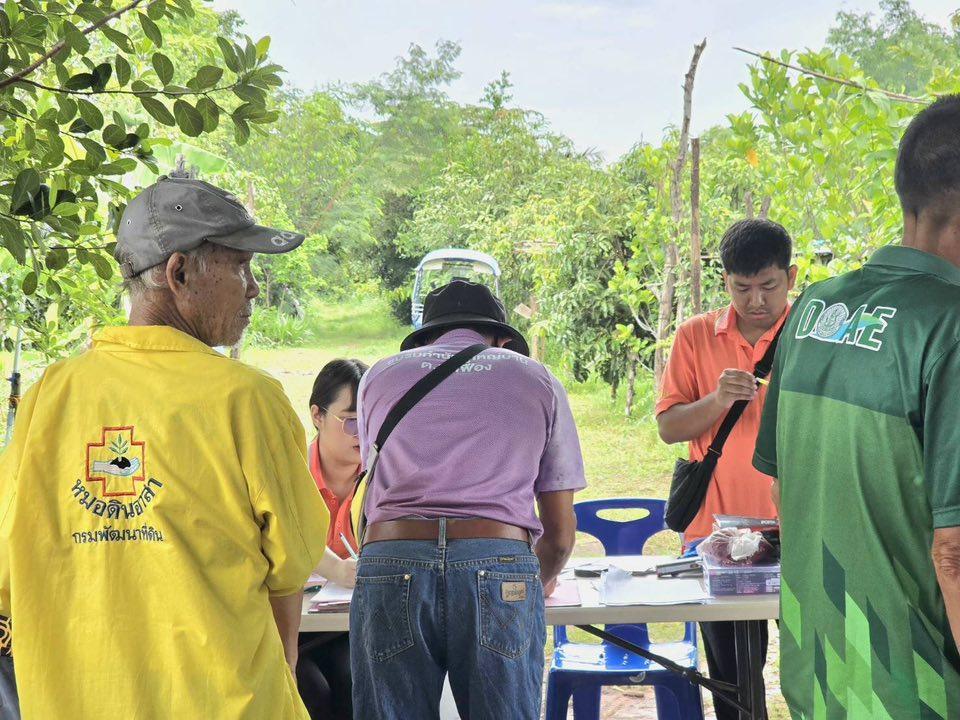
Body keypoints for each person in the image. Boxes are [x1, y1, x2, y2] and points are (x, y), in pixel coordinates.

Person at [0, 175, 331, 719]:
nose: (252, 288)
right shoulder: (245, 399)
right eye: (240, 266)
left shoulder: (48, 397)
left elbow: (8, 574)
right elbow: (292, 563)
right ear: (179, 273)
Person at [755, 96, 960, 718]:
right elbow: (954, 552)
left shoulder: (817, 307)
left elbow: (782, 490)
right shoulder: (948, 325)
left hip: (822, 673)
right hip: (917, 690)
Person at [350, 280, 585, 720]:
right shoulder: (538, 380)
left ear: (425, 338)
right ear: (500, 339)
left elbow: (371, 484)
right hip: (497, 562)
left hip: (391, 560)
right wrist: (531, 584)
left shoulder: (378, 376)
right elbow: (559, 535)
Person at [656, 218, 796, 719]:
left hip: (800, 529)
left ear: (791, 277)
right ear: (725, 282)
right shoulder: (695, 336)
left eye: (768, 287)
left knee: (815, 667)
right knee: (735, 684)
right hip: (717, 536)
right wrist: (718, 399)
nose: (756, 301)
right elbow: (670, 427)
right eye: (742, 288)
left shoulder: (813, 336)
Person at [297, 359, 369, 720]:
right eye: (351, 420)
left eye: (372, 419)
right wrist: (336, 569)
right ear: (317, 415)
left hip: (355, 626)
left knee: (353, 684)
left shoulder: (385, 478)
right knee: (310, 692)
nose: (363, 433)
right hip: (295, 628)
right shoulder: (289, 473)